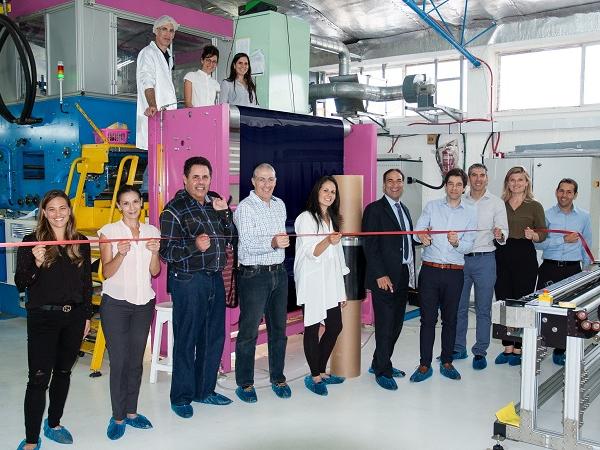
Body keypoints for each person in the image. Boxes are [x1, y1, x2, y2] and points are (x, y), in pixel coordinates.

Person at [15, 190, 92, 450]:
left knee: (63, 373)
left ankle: (54, 423)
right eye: (52, 209)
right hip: (43, 319)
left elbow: (85, 285)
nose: (58, 214)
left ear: (69, 211)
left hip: (73, 318)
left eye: (62, 208)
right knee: (38, 378)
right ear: (44, 213)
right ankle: (31, 439)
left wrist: (86, 316)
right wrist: (36, 264)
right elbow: (20, 283)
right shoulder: (31, 242)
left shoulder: (80, 242)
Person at [159, 156, 234, 418]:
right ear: (185, 178)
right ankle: (180, 397)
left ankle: (205, 391)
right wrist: (194, 246)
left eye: (205, 177)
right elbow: (166, 251)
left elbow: (232, 238)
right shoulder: (173, 210)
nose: (201, 182)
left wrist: (224, 213)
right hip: (188, 281)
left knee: (212, 337)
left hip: (214, 278)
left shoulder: (214, 203)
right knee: (187, 338)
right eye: (196, 177)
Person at [97, 185, 161, 440]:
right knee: (120, 362)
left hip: (143, 303)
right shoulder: (108, 232)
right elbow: (106, 273)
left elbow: (155, 272)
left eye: (136, 202)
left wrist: (155, 252)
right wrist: (120, 254)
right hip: (116, 304)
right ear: (119, 206)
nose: (132, 207)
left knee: (135, 362)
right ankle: (118, 416)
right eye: (126, 203)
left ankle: (132, 413)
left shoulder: (151, 231)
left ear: (141, 203)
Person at [411, 168, 477, 383]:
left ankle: (447, 362)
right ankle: (424, 364)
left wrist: (457, 242)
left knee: (451, 319)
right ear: (445, 185)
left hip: (454, 273)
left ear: (463, 187)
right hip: (430, 271)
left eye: (459, 184)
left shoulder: (470, 212)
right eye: (451, 184)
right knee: (427, 320)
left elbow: (468, 246)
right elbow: (418, 232)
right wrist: (424, 237)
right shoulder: (431, 207)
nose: (454, 188)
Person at [233, 163, 290, 403]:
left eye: (271, 179)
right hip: (254, 276)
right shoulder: (245, 208)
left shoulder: (280, 205)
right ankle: (245, 384)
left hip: (279, 274)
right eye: (262, 180)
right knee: (248, 332)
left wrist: (277, 245)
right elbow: (246, 243)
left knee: (279, 330)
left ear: (276, 181)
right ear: (253, 181)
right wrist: (273, 244)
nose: (267, 184)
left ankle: (278, 377)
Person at [362, 168, 416, 391]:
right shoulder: (374, 210)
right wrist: (379, 274)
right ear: (383, 185)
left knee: (396, 323)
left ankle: (380, 362)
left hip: (402, 273)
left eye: (399, 181)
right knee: (385, 325)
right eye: (390, 181)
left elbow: (403, 242)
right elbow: (370, 246)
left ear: (403, 184)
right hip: (384, 276)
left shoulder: (404, 209)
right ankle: (382, 371)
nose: (395, 185)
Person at [294, 176, 348, 396]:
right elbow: (312, 251)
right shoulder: (305, 218)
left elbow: (338, 258)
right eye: (325, 190)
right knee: (312, 327)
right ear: (317, 192)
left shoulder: (331, 218)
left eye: (333, 192)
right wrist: (328, 240)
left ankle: (319, 369)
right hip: (312, 281)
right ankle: (315, 375)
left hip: (330, 282)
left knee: (335, 326)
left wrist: (341, 290)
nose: (329, 195)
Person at [453, 164, 508, 371]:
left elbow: (504, 230)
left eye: (482, 175)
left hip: (485, 259)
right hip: (461, 258)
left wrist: (499, 234)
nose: (478, 179)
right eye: (474, 175)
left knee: (484, 308)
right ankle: (459, 347)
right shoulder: (460, 199)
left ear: (487, 178)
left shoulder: (496, 203)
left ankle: (480, 351)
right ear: (468, 178)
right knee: (459, 307)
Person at [535, 178, 592, 366]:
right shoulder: (546, 215)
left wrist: (587, 270)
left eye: (569, 192)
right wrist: (563, 241)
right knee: (544, 311)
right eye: (561, 191)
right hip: (549, 268)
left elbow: (587, 245)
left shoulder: (583, 217)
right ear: (556, 192)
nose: (564, 195)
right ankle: (541, 345)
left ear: (575, 195)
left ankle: (561, 349)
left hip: (573, 270)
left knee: (569, 313)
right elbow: (539, 243)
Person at [494, 166, 546, 366]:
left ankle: (519, 348)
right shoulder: (500, 205)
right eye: (512, 180)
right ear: (507, 183)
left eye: (520, 180)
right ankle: (507, 348)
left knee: (522, 303)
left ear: (526, 183)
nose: (516, 183)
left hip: (525, 255)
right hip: (502, 253)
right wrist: (495, 234)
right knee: (504, 301)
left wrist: (534, 235)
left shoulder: (534, 206)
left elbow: (543, 232)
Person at [136, 15, 179, 151]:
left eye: (171, 31)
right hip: (155, 114)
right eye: (164, 29)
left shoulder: (168, 56)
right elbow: (147, 81)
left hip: (167, 115)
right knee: (156, 158)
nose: (168, 34)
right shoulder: (148, 53)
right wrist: (152, 105)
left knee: (163, 160)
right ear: (156, 31)